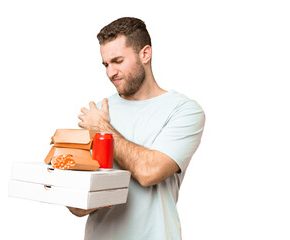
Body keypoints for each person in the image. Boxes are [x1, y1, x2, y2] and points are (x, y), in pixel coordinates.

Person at [67, 17, 205, 240]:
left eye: (118, 61)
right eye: (106, 64)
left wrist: (103, 130)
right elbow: (77, 207)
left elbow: (150, 172)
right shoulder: (99, 111)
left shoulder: (183, 111)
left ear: (145, 54)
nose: (110, 72)